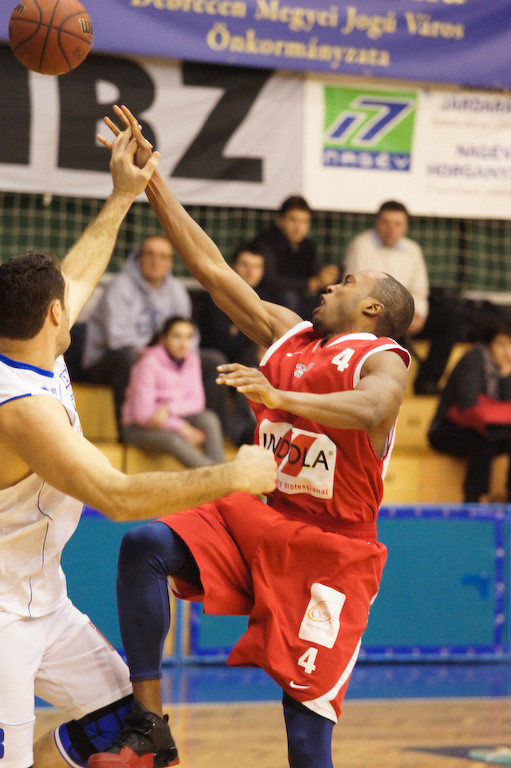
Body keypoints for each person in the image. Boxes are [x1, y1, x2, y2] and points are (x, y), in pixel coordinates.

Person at [87, 105, 415, 768]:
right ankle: (150, 728)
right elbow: (210, 267)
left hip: (331, 553)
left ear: (373, 310)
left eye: (346, 283)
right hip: (263, 519)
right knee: (145, 543)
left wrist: (281, 397)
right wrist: (151, 181)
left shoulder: (380, 360)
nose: (329, 284)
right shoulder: (290, 334)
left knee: (304, 736)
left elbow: (368, 406)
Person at [0, 124, 277, 768]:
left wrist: (124, 193)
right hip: (2, 621)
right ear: (55, 318)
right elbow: (118, 496)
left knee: (135, 727)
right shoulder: (22, 409)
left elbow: (81, 266)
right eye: (65, 304)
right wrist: (233, 473)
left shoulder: (34, 345)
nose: (74, 299)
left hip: (45, 602)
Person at [81, 234, 227, 431]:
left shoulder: (176, 290)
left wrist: (180, 354)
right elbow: (116, 340)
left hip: (161, 358)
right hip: (106, 361)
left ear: (170, 263)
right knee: (129, 357)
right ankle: (130, 431)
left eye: (162, 256)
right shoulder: (120, 287)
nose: (155, 261)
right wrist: (159, 353)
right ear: (139, 257)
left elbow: (189, 335)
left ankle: (211, 431)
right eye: (150, 254)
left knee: (213, 361)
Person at [344, 199, 464, 395]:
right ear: (377, 223)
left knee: (451, 319)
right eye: (386, 222)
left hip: (407, 315)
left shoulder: (412, 250)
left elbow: (419, 290)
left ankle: (426, 383)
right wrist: (398, 317)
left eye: (398, 224)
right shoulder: (361, 246)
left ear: (405, 227)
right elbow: (359, 293)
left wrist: (419, 315)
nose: (391, 229)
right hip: (375, 316)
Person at [122, 316, 225, 467]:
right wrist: (181, 428)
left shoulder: (192, 361)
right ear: (163, 339)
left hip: (169, 418)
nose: (183, 343)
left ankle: (219, 474)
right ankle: (219, 477)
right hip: (138, 428)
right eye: (177, 336)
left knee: (209, 418)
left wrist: (168, 409)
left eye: (188, 337)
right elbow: (142, 415)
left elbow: (197, 403)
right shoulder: (148, 364)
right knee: (175, 440)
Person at [428, 320, 511, 502]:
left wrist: (506, 379)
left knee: (493, 434)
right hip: (448, 429)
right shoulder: (472, 360)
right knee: (483, 436)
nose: (508, 352)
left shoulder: (506, 369)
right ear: (488, 345)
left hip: (490, 429)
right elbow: (468, 404)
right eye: (501, 344)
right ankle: (473, 499)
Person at [248, 195, 339, 320]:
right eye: (293, 220)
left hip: (300, 298)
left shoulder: (308, 246)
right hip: (266, 298)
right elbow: (270, 280)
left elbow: (317, 276)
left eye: (303, 222)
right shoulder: (265, 243)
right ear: (280, 220)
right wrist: (309, 283)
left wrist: (326, 277)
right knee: (289, 297)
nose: (298, 227)